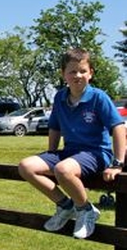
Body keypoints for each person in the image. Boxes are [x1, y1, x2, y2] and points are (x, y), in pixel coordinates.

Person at [18, 48, 126, 239]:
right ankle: (65, 206)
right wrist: (50, 153)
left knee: (63, 170)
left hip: (96, 153)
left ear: (90, 73)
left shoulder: (98, 97)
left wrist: (117, 163)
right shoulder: (60, 97)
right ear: (63, 74)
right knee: (26, 166)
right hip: (70, 152)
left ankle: (86, 210)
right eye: (72, 71)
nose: (78, 75)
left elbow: (118, 128)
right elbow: (55, 127)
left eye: (83, 71)